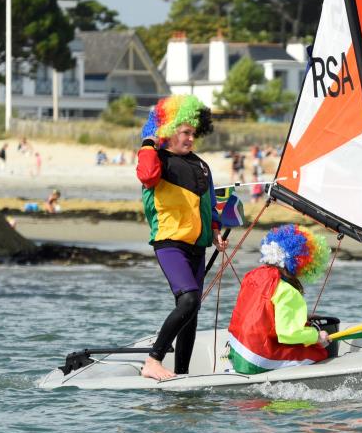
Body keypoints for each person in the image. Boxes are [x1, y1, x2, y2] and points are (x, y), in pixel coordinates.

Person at [136, 95, 227, 381]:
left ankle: (182, 375)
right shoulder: (156, 159)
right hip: (170, 243)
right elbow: (147, 176)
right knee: (187, 301)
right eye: (184, 132)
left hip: (196, 247)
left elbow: (209, 202)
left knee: (192, 311)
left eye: (192, 133)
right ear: (169, 131)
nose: (190, 138)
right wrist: (149, 143)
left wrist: (214, 232)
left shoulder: (201, 166)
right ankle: (153, 360)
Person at [227, 224, 331, 374]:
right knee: (318, 353)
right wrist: (316, 336)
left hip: (237, 353)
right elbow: (287, 334)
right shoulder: (288, 291)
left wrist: (301, 318)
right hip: (256, 358)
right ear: (301, 262)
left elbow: (261, 313)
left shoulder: (253, 276)